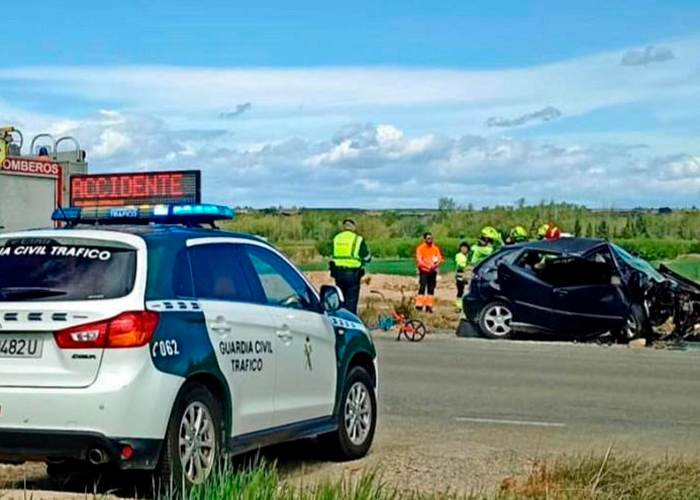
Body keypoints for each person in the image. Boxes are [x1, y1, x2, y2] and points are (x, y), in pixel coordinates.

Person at [330, 219, 371, 314]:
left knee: (341, 300)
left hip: (338, 274)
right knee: (351, 303)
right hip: (352, 275)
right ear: (354, 227)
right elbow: (366, 257)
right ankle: (350, 323)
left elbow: (333, 254)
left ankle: (339, 321)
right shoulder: (357, 239)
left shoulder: (336, 238)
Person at [415, 233, 444, 312]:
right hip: (424, 271)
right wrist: (428, 266)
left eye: (431, 238)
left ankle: (429, 306)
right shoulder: (420, 248)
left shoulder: (435, 248)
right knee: (422, 287)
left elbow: (439, 258)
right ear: (424, 239)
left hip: (433, 271)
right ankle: (419, 306)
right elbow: (420, 260)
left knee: (431, 289)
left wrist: (436, 264)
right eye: (428, 238)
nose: (430, 240)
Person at [454, 242, 470, 311]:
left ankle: (463, 305)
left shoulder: (467, 256)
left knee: (465, 290)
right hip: (460, 275)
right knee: (460, 290)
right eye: (462, 248)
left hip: (465, 274)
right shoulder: (459, 255)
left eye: (465, 248)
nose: (464, 249)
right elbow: (460, 264)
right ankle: (458, 306)